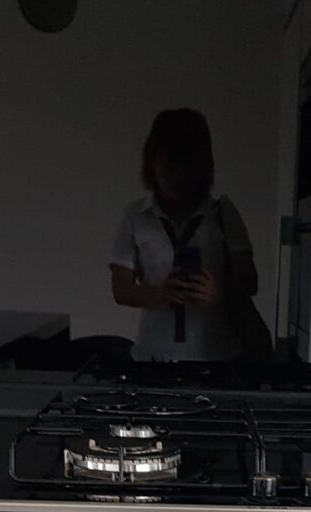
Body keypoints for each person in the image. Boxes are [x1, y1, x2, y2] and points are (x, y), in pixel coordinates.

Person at [110, 108, 262, 362]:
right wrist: (158, 294)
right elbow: (121, 289)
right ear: (152, 161)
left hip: (217, 358)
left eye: (188, 163)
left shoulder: (222, 213)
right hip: (154, 358)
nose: (178, 175)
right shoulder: (136, 216)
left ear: (203, 165)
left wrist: (216, 294)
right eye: (170, 163)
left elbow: (249, 280)